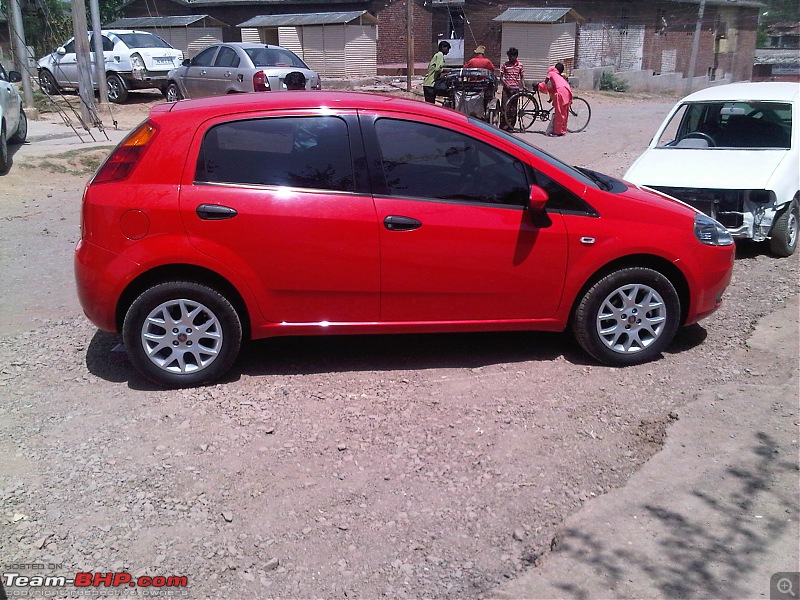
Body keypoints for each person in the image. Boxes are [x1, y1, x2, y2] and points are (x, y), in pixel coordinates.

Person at [538, 62, 572, 136]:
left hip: (561, 92)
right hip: (567, 90)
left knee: (559, 113)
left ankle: (557, 131)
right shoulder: (558, 76)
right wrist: (551, 97)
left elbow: (545, 82)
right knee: (564, 113)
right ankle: (562, 130)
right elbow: (553, 89)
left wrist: (539, 86)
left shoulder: (551, 73)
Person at [499, 47, 525, 131]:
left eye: (512, 56)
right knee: (504, 107)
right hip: (506, 89)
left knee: (513, 109)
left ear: (516, 56)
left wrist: (523, 86)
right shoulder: (505, 65)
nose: (510, 58)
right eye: (509, 56)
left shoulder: (520, 65)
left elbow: (522, 76)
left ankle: (510, 126)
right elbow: (501, 77)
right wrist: (506, 85)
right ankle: (503, 126)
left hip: (515, 89)